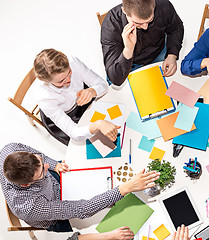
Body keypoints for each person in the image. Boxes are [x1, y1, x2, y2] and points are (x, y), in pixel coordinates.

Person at [0, 142, 160, 232]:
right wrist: (124, 189)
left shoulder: (9, 150)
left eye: (40, 161)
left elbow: (42, 159)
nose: (46, 165)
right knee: (102, 217)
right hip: (55, 215)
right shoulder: (31, 207)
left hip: (56, 183)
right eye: (42, 171)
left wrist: (55, 166)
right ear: (26, 184)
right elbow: (82, 209)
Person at [34, 48, 119, 145]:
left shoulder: (72, 61)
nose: (69, 80)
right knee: (90, 144)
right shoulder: (44, 96)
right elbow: (74, 132)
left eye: (69, 72)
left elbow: (102, 84)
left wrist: (92, 91)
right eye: (61, 81)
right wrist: (97, 125)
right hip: (67, 114)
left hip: (84, 98)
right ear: (47, 82)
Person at [101, 0, 184, 86]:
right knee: (118, 93)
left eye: (150, 20)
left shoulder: (163, 4)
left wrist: (172, 55)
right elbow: (115, 79)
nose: (145, 27)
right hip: (129, 63)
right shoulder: (111, 24)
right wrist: (128, 49)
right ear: (124, 11)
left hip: (158, 53)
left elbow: (176, 29)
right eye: (138, 23)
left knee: (173, 85)